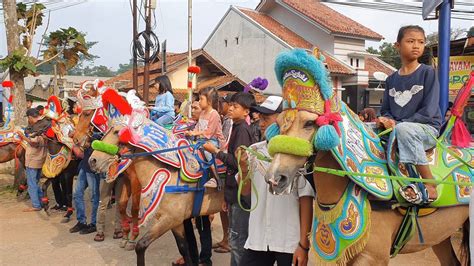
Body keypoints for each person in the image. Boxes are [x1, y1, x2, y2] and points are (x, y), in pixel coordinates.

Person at [238, 96, 314, 266]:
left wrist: (303, 245)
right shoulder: (253, 151)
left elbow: (305, 201)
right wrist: (243, 170)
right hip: (258, 238)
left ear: (286, 120)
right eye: (260, 118)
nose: (261, 123)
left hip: (288, 241)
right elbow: (245, 192)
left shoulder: (299, 155)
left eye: (266, 118)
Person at [379, 25, 442, 204]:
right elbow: (385, 109)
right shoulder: (391, 79)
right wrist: (384, 119)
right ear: (397, 46)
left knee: (404, 129)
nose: (416, 46)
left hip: (426, 129)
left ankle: (429, 184)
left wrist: (398, 124)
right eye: (411, 41)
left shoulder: (427, 72)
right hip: (399, 128)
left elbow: (429, 110)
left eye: (421, 42)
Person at [203, 92, 256, 266]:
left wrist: (216, 152)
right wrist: (227, 196)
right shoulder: (237, 127)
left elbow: (238, 163)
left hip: (241, 193)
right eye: (231, 105)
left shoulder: (242, 131)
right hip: (234, 192)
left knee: (238, 240)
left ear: (246, 112)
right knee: (236, 238)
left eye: (236, 106)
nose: (231, 108)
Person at [187, 87, 225, 188]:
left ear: (209, 101)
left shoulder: (214, 114)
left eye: (201, 99)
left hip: (214, 141)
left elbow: (209, 132)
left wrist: (195, 134)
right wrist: (191, 132)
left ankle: (216, 178)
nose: (199, 101)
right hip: (202, 140)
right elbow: (198, 126)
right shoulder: (203, 113)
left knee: (208, 153)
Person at [69, 133, 101, 234]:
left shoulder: (99, 129)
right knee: (77, 194)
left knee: (94, 197)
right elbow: (82, 152)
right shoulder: (88, 130)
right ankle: (81, 221)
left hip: (93, 169)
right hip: (84, 166)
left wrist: (88, 143)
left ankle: (94, 223)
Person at [22, 108, 47, 212]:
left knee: (32, 183)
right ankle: (41, 202)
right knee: (35, 182)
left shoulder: (36, 127)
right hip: (40, 158)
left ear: (30, 117)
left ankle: (36, 205)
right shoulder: (43, 125)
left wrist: (22, 136)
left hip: (33, 160)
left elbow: (34, 143)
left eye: (28, 118)